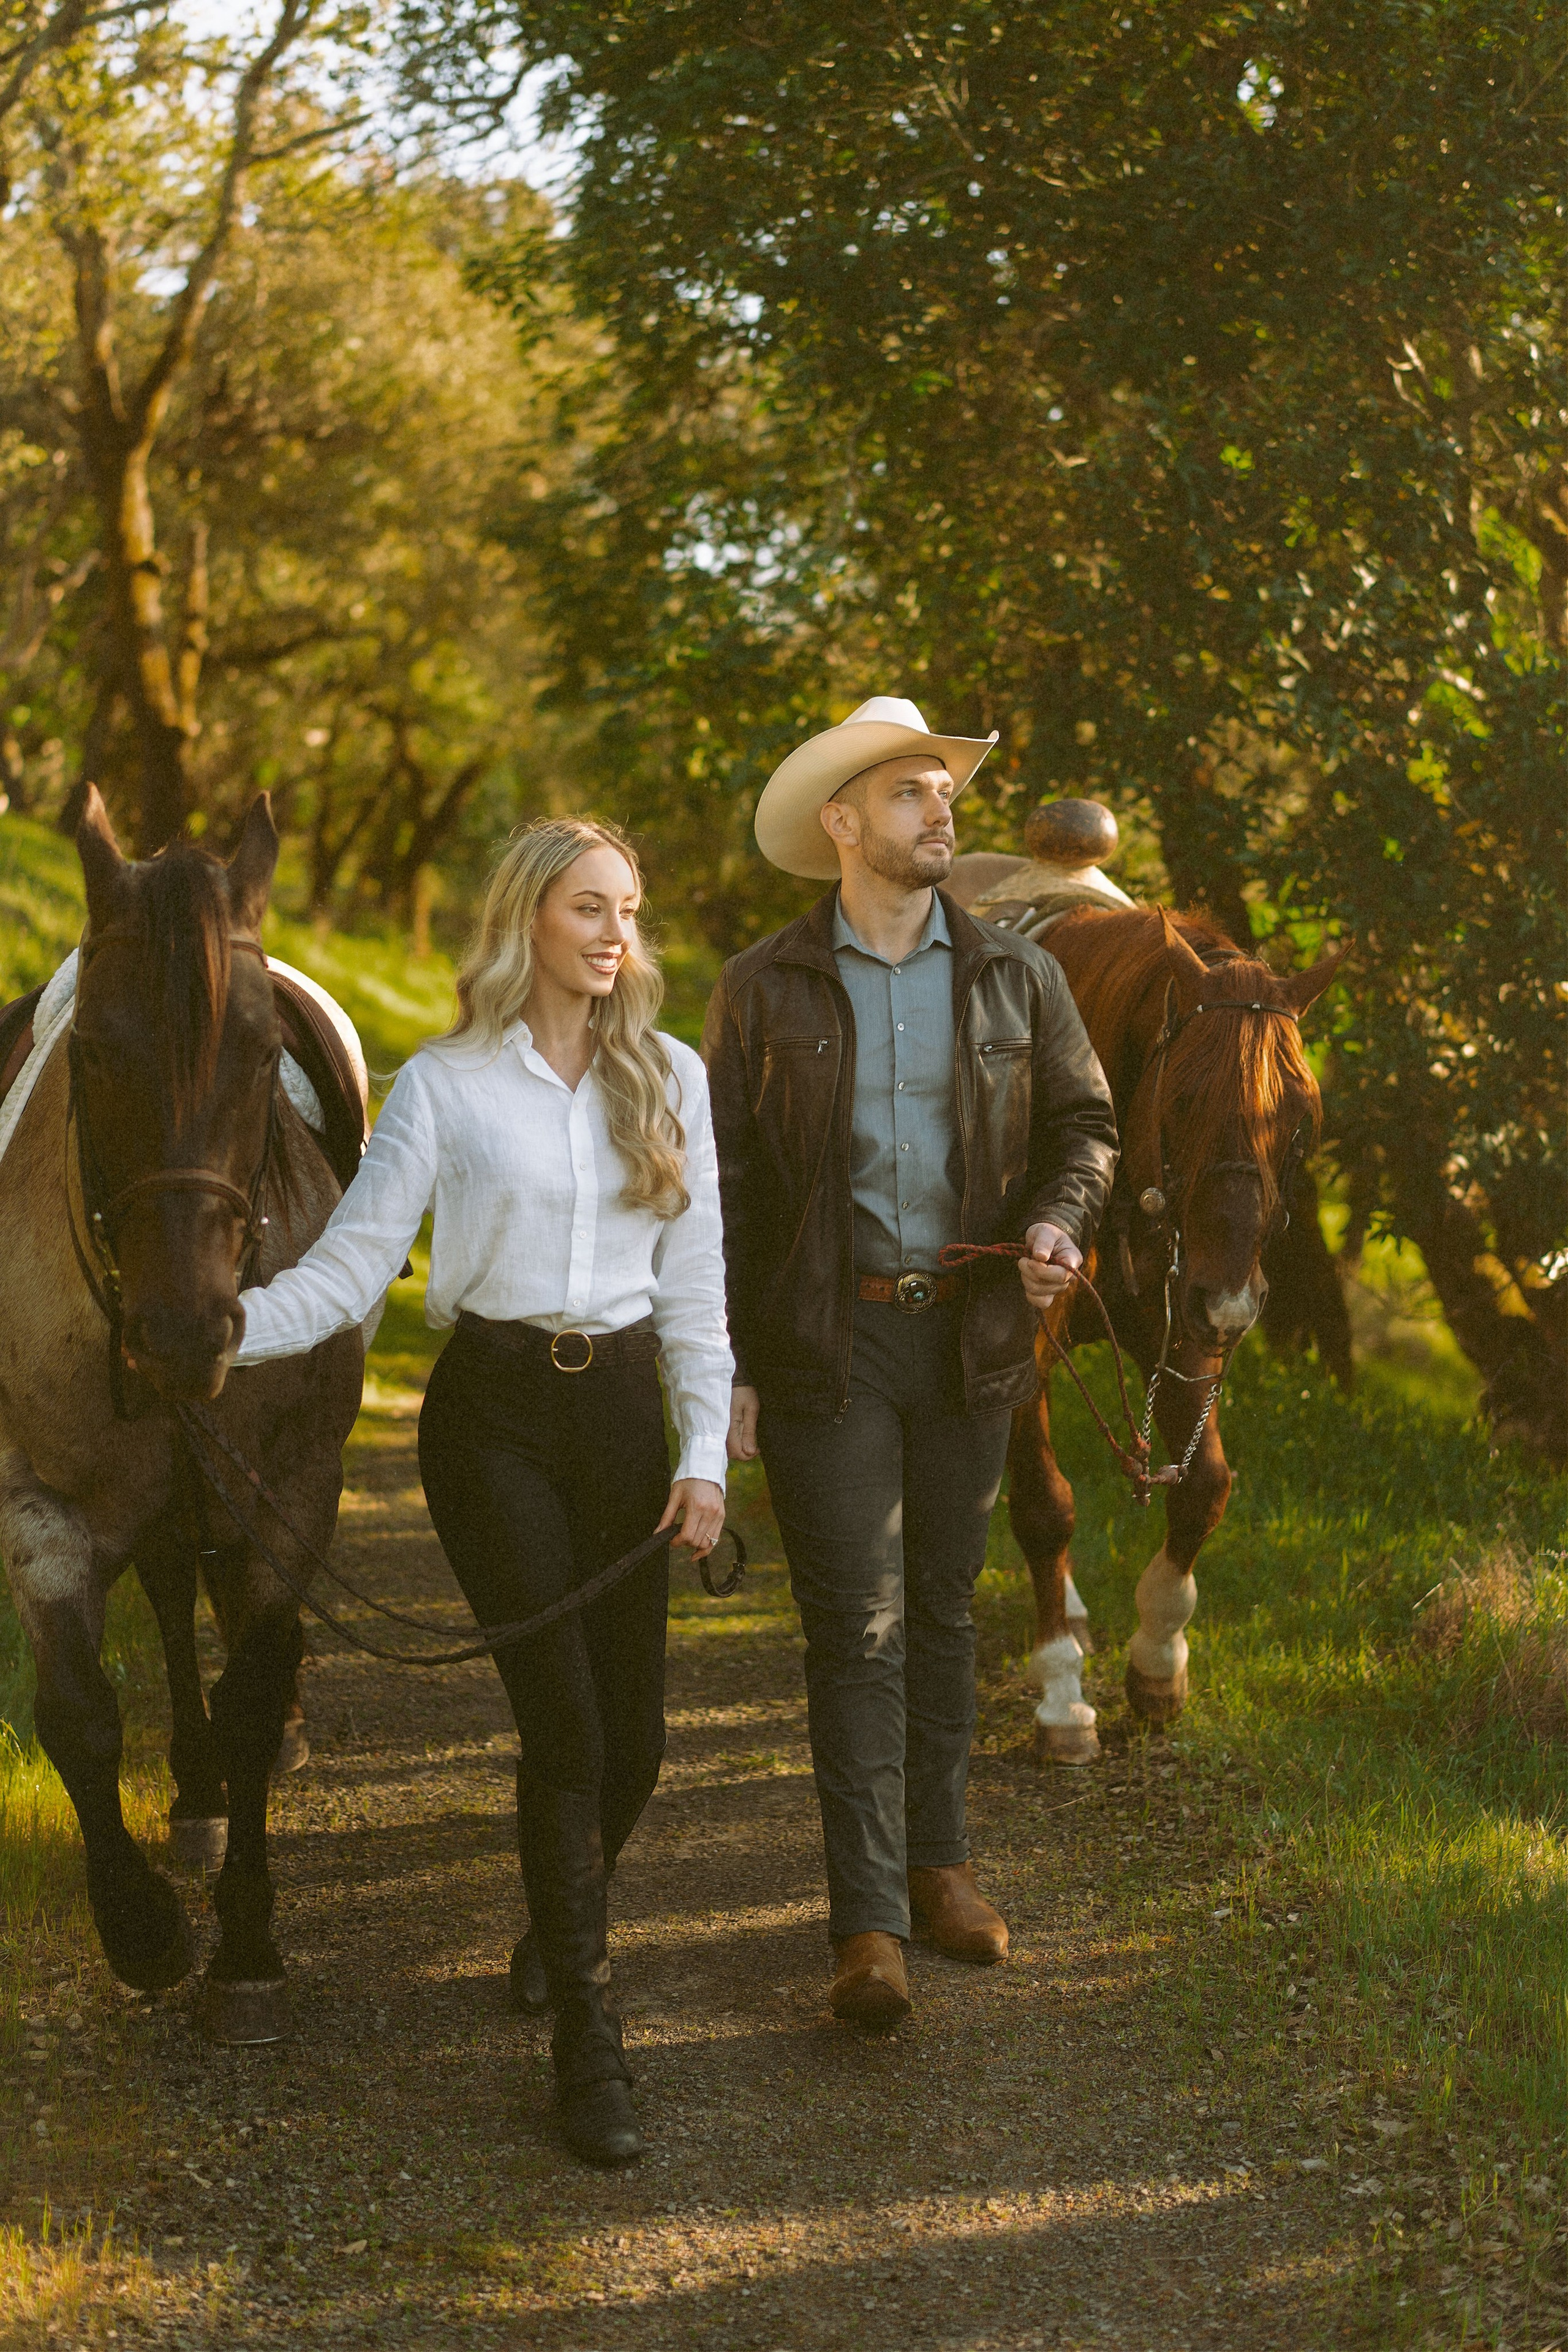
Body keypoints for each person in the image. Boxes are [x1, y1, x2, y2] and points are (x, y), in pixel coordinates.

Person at [233, 818, 731, 2164]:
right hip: (493, 1419)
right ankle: (590, 2038)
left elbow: (696, 1294)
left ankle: (552, 1914)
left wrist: (702, 1460)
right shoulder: (444, 1087)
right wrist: (227, 1333)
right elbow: (352, 1266)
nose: (616, 932)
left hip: (625, 1412)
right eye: (588, 907)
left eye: (627, 907)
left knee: (637, 1747)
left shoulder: (670, 1077)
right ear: (528, 922)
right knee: (566, 1732)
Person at [704, 696, 1118, 2029]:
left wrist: (1059, 1219)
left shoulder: (1014, 974)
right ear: (841, 824)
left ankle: (940, 1867)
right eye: (908, 792)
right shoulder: (762, 985)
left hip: (973, 1335)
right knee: (859, 1625)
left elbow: (1085, 1126)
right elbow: (719, 1188)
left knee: (942, 1608)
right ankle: (865, 1922)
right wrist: (728, 1367)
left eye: (943, 792)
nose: (941, 809)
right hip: (825, 1340)